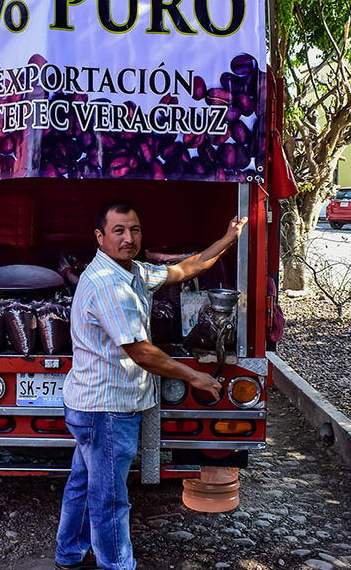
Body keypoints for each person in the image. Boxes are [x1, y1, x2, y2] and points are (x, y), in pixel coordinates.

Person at [55, 200, 248, 570]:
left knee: (84, 485)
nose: (129, 238)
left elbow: (186, 268)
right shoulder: (110, 285)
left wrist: (228, 238)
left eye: (135, 230)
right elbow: (142, 353)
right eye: (119, 231)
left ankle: (69, 552)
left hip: (94, 406)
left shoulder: (133, 273)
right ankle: (116, 565)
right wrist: (195, 376)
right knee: (110, 498)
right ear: (100, 237)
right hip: (105, 409)